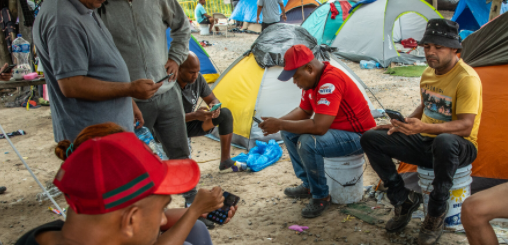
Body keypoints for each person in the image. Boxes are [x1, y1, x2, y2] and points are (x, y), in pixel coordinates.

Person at [360, 19, 482, 245]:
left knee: (445, 142)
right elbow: (427, 105)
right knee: (371, 137)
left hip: (460, 147)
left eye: (438, 47)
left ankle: (435, 213)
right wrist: (404, 122)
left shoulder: (467, 79)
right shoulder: (428, 72)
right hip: (427, 141)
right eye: (427, 47)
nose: (430, 52)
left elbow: (465, 126)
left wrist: (424, 127)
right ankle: (403, 199)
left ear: (455, 49)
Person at [15, 122, 238, 245]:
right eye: (162, 209)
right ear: (130, 220)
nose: (163, 219)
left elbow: (155, 221)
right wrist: (194, 211)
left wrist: (199, 210)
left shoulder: (64, 232)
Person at [259, 45, 376, 218]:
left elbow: (319, 127)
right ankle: (308, 184)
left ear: (309, 69)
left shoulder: (330, 81)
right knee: (289, 133)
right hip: (339, 134)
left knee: (308, 142)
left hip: (360, 137)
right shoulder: (312, 83)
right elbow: (304, 111)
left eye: (296, 77)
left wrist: (280, 124)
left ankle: (321, 196)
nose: (294, 82)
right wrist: (277, 122)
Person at [33, 0, 162, 142]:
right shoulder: (63, 21)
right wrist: (129, 89)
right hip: (93, 138)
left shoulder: (84, 7)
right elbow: (72, 86)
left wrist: (128, 101)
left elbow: (100, 67)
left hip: (107, 133)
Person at [176, 52, 238, 172]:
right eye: (191, 72)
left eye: (197, 71)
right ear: (179, 69)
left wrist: (214, 106)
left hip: (188, 122)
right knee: (181, 170)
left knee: (224, 114)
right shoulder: (170, 85)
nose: (195, 76)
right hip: (171, 128)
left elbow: (212, 98)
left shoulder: (198, 79)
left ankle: (225, 160)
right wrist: (194, 115)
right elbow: (167, 119)